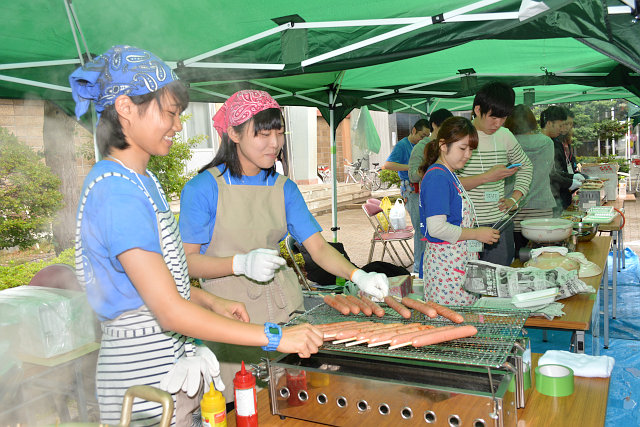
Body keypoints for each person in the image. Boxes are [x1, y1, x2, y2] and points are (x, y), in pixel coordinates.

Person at [72, 46, 323, 426]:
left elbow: (155, 284)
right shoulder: (115, 191)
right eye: (169, 113)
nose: (177, 126)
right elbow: (168, 311)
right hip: (141, 381)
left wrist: (208, 301)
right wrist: (275, 337)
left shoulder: (142, 181)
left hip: (171, 370)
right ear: (125, 107)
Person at [179, 90, 390, 401]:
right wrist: (239, 263)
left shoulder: (284, 188)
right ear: (234, 133)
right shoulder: (203, 189)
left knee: (292, 401)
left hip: (285, 311)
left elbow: (318, 247)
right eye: (263, 134)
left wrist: (359, 275)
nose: (274, 143)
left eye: (279, 133)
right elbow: (187, 263)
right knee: (243, 404)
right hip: (230, 317)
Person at [419, 117, 500, 305]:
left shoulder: (449, 174)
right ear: (443, 145)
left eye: (471, 149)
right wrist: (476, 234)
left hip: (457, 263)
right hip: (446, 268)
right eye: (462, 148)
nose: (468, 155)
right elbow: (436, 228)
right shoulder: (438, 177)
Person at [457, 82, 533, 266]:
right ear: (477, 109)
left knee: (499, 279)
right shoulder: (458, 136)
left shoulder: (505, 136)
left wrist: (515, 199)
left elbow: (526, 166)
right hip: (465, 227)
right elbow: (447, 182)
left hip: (498, 224)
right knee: (468, 281)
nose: (497, 123)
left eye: (503, 118)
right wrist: (486, 177)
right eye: (493, 117)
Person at [504, 105, 556, 255]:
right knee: (542, 257)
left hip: (513, 205)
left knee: (516, 256)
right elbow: (550, 170)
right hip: (542, 208)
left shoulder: (507, 142)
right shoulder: (547, 142)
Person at [407, 109, 454, 277]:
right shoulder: (422, 146)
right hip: (423, 199)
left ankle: (439, 274)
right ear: (434, 124)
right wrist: (431, 168)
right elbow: (412, 174)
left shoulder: (450, 144)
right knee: (423, 237)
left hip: (445, 200)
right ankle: (420, 273)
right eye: (444, 125)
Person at [384, 118, 430, 274]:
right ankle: (418, 268)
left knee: (424, 228)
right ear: (414, 131)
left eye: (427, 136)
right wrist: (412, 167)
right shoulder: (403, 145)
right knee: (420, 229)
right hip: (411, 192)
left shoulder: (422, 146)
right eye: (422, 135)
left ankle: (423, 265)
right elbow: (388, 165)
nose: (424, 139)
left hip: (421, 191)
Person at [541, 106, 584, 215]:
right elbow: (548, 174)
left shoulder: (555, 142)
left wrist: (572, 177)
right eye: (560, 125)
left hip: (559, 196)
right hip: (548, 199)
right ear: (549, 123)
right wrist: (570, 182)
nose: (562, 129)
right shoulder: (541, 144)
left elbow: (554, 170)